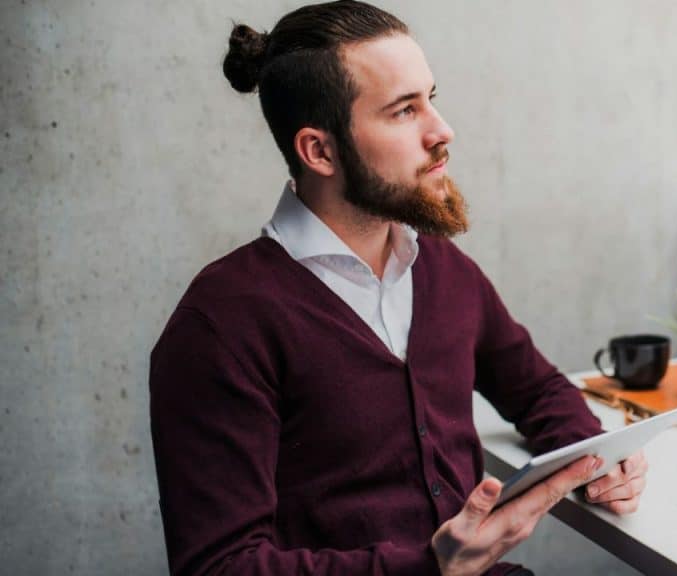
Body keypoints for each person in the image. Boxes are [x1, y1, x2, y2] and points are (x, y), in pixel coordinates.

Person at [149, 2, 647, 575]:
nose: (442, 130)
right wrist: (431, 566)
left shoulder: (445, 271)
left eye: (430, 98)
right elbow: (220, 568)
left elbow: (536, 389)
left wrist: (598, 458)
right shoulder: (222, 324)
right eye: (404, 110)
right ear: (320, 150)